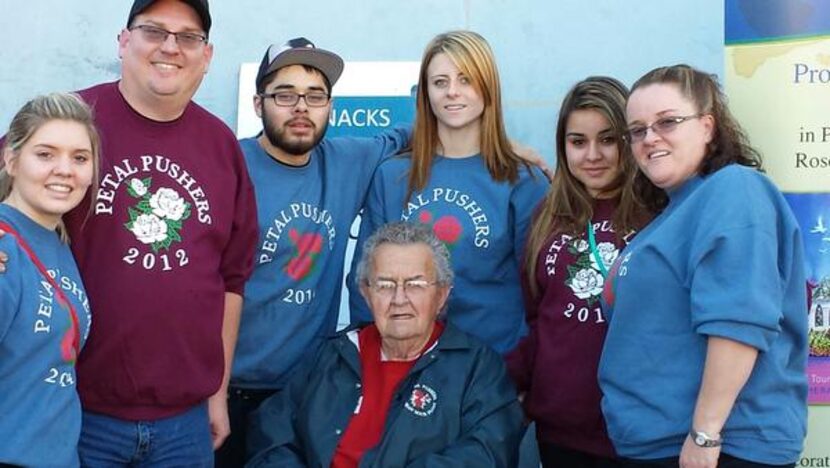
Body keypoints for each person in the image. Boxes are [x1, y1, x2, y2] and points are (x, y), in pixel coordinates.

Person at [18, 0, 258, 465]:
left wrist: (218, 391)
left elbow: (231, 279)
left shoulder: (221, 145)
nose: (170, 47)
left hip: (185, 423)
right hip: (76, 411)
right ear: (124, 41)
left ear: (206, 56)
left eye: (188, 37)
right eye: (153, 31)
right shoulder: (71, 122)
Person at [598, 64, 808, 468]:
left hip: (718, 447)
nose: (649, 138)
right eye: (637, 130)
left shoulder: (734, 189)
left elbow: (738, 322)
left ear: (708, 126)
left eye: (668, 122)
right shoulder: (671, 214)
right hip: (656, 444)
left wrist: (705, 433)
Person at [216, 38, 410, 466]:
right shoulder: (228, 164)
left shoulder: (348, 160)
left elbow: (422, 132)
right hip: (220, 389)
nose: (301, 107)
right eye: (285, 94)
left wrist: (508, 152)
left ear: (331, 107)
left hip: (302, 393)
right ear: (257, 102)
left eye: (315, 95)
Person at [247, 221, 524, 467]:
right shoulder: (333, 355)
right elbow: (273, 434)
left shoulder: (477, 368)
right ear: (366, 294)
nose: (399, 299)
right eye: (385, 285)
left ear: (441, 294)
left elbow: (487, 454)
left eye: (415, 284)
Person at [348, 30, 548, 356]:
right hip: (404, 366)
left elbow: (540, 293)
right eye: (440, 82)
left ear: (488, 87)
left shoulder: (524, 181)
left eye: (466, 80)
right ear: (425, 93)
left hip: (493, 368)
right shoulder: (391, 176)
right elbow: (366, 284)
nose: (452, 92)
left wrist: (523, 372)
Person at [507, 77, 649, 467]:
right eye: (577, 142)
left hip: (639, 435)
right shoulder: (547, 215)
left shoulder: (658, 213)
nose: (593, 155)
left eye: (608, 139)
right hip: (561, 433)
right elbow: (540, 318)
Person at [0, 93, 99, 467]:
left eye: (79, 158)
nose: (65, 170)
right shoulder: (5, 249)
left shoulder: (55, 239)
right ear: (11, 159)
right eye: (45, 154)